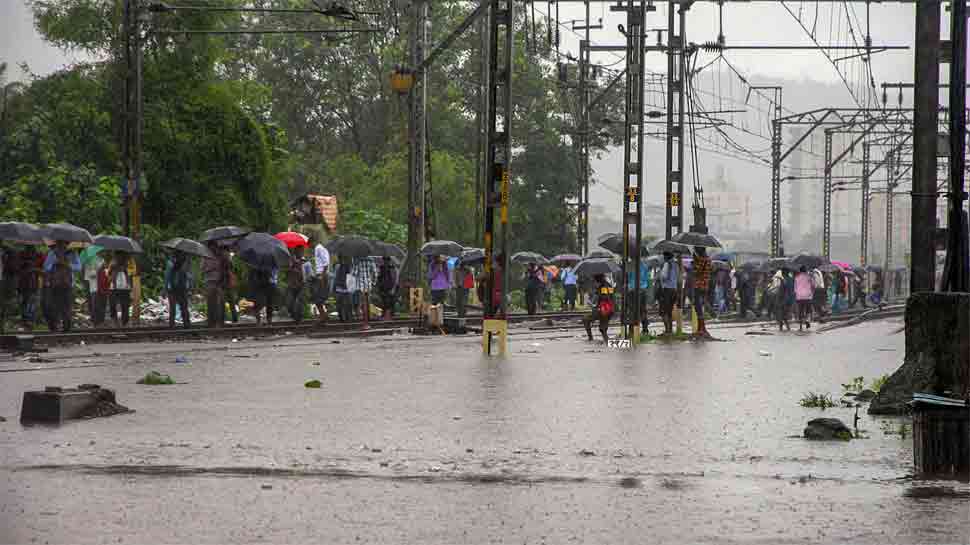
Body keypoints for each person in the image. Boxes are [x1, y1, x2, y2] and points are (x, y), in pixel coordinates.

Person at [42, 241, 81, 332]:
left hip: (67, 284)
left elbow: (78, 267)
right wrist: (55, 263)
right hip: (55, 284)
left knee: (66, 307)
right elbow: (46, 267)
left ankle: (66, 328)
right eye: (60, 243)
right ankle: (55, 327)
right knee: (53, 306)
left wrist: (67, 264)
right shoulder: (52, 253)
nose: (62, 245)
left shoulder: (72, 253)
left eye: (63, 243)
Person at [164, 251, 192, 329]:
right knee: (183, 308)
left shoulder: (172, 263)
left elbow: (167, 277)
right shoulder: (177, 264)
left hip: (176, 289)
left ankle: (174, 325)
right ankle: (186, 325)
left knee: (177, 308)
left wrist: (165, 288)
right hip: (178, 289)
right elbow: (190, 277)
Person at [583, 273, 614, 342]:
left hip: (604, 310)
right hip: (610, 310)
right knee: (603, 328)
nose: (594, 283)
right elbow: (611, 296)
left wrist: (595, 304)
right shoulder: (608, 285)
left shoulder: (603, 287)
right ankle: (607, 341)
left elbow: (606, 297)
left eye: (595, 281)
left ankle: (590, 338)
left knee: (586, 319)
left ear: (598, 280)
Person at [16, 246, 41, 330]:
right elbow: (17, 268)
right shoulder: (20, 255)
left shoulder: (38, 256)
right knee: (25, 302)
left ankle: (29, 321)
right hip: (24, 284)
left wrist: (34, 269)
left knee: (31, 302)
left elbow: (42, 270)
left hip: (33, 284)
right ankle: (26, 320)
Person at [203, 242, 225, 327]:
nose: (214, 249)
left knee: (220, 302)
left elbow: (225, 268)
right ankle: (211, 322)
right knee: (211, 302)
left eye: (215, 247)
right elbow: (203, 269)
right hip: (209, 281)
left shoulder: (221, 257)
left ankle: (220, 322)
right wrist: (211, 268)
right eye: (212, 247)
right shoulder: (205, 257)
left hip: (219, 282)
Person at [107, 253, 133, 327]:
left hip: (120, 288)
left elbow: (109, 275)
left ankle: (120, 322)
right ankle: (120, 322)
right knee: (119, 305)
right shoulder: (115, 264)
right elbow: (109, 276)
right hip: (120, 288)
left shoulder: (126, 264)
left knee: (119, 305)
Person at [692, 247, 713, 338]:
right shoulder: (708, 259)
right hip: (705, 285)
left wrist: (695, 262)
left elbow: (697, 271)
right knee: (700, 305)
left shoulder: (701, 259)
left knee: (698, 306)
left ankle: (701, 328)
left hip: (699, 285)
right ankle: (701, 328)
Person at [658, 252, 679, 336]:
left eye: (664, 256)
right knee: (669, 311)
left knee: (663, 311)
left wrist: (659, 275)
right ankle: (670, 330)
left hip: (666, 289)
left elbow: (664, 276)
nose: (663, 258)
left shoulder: (667, 264)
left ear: (666, 257)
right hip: (674, 289)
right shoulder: (676, 265)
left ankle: (667, 330)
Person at [626, 258, 651, 328]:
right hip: (643, 289)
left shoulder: (630, 265)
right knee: (643, 309)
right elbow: (647, 278)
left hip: (633, 290)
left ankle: (632, 329)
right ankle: (645, 328)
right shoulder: (644, 265)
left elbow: (628, 277)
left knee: (632, 309)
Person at [352, 256, 377, 322]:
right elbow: (375, 273)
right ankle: (368, 318)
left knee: (362, 302)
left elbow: (354, 273)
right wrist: (373, 283)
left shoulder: (357, 261)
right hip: (368, 284)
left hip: (360, 285)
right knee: (368, 301)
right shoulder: (371, 260)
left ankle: (364, 320)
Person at [286, 247, 307, 323]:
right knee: (290, 303)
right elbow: (288, 270)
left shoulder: (303, 261)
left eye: (301, 251)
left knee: (299, 302)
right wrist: (292, 266)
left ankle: (299, 318)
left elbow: (304, 273)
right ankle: (294, 315)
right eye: (298, 251)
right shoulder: (291, 260)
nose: (300, 252)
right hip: (292, 284)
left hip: (301, 284)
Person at [312, 238, 330, 322]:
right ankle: (323, 315)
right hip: (321, 274)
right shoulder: (322, 248)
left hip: (321, 275)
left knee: (318, 297)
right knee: (319, 297)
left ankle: (323, 316)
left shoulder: (318, 248)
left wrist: (322, 276)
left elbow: (326, 264)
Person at [794, 266, 814, 330]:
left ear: (800, 271)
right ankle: (807, 320)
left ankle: (800, 326)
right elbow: (813, 285)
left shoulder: (796, 278)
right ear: (805, 270)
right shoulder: (809, 277)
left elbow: (795, 288)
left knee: (800, 311)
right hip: (808, 296)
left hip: (799, 297)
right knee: (808, 310)